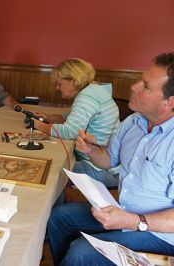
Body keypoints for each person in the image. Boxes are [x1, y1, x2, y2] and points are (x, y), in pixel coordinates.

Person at [47, 52, 174, 265]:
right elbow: (108, 161)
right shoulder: (133, 122)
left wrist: (133, 221)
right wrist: (91, 150)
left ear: (170, 102)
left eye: (145, 86)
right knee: (58, 217)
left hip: (161, 234)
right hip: (125, 211)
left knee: (80, 253)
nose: (133, 87)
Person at [33, 58, 120, 187]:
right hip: (109, 166)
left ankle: (55, 206)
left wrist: (38, 125)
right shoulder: (95, 90)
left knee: (51, 170)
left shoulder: (86, 97)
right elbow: (74, 117)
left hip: (101, 170)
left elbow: (71, 131)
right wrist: (50, 118)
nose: (57, 88)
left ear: (74, 81)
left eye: (59, 83)